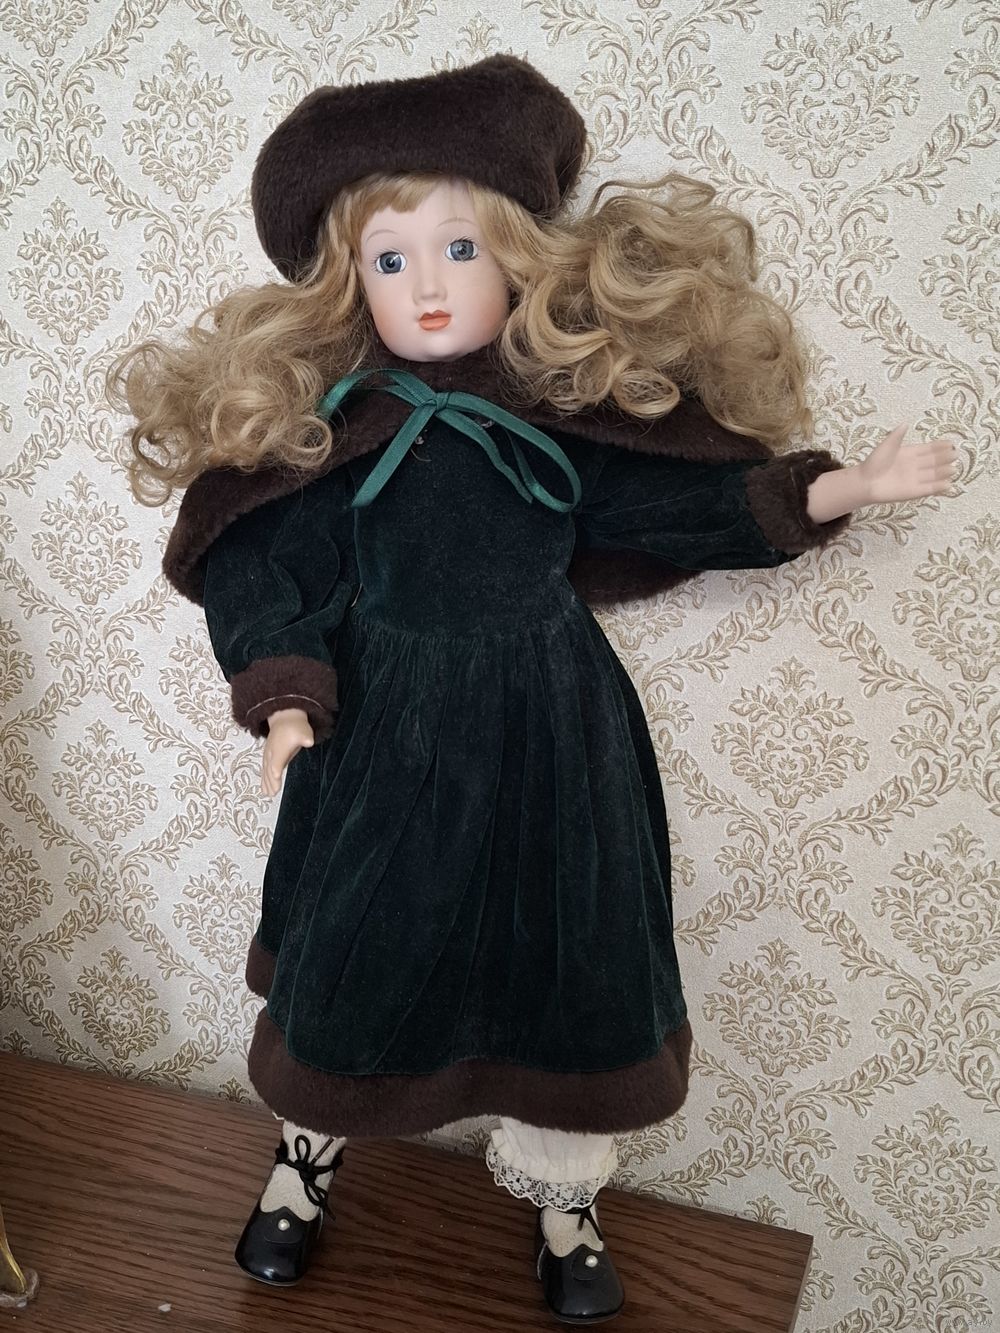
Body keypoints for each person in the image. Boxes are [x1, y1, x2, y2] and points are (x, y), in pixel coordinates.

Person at [107, 54, 958, 1326]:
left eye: (460, 247)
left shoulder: (556, 419)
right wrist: (284, 690)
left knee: (571, 953)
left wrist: (837, 488)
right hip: (383, 730)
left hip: (555, 727)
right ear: (349, 284)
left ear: (518, 259)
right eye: (391, 259)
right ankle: (303, 1162)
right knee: (358, 952)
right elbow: (267, 565)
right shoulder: (337, 429)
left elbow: (669, 501)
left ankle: (567, 1202)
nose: (428, 283)